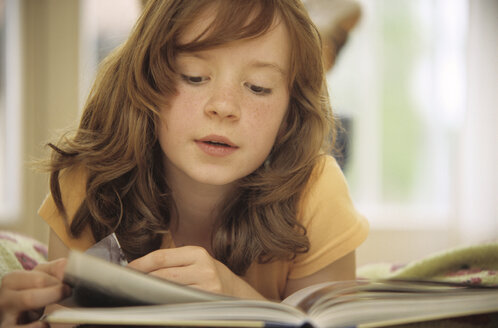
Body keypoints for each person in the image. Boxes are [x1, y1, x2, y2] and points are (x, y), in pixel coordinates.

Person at [1, 0, 368, 324]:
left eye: (258, 86)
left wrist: (237, 302)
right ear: (143, 82)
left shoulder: (317, 192)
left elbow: (320, 322)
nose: (223, 107)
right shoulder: (90, 181)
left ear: (290, 112)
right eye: (193, 77)